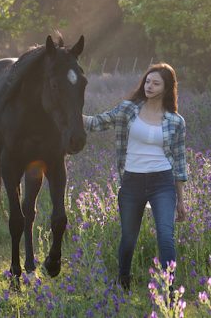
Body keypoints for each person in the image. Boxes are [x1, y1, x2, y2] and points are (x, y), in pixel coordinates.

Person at [83, 63, 188, 291]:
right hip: (132, 182)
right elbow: (96, 123)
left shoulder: (176, 121)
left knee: (166, 237)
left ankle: (169, 290)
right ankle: (123, 281)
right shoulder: (128, 109)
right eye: (147, 81)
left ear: (167, 87)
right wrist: (68, 113)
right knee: (129, 238)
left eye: (156, 83)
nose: (149, 86)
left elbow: (179, 163)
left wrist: (181, 200)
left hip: (163, 183)